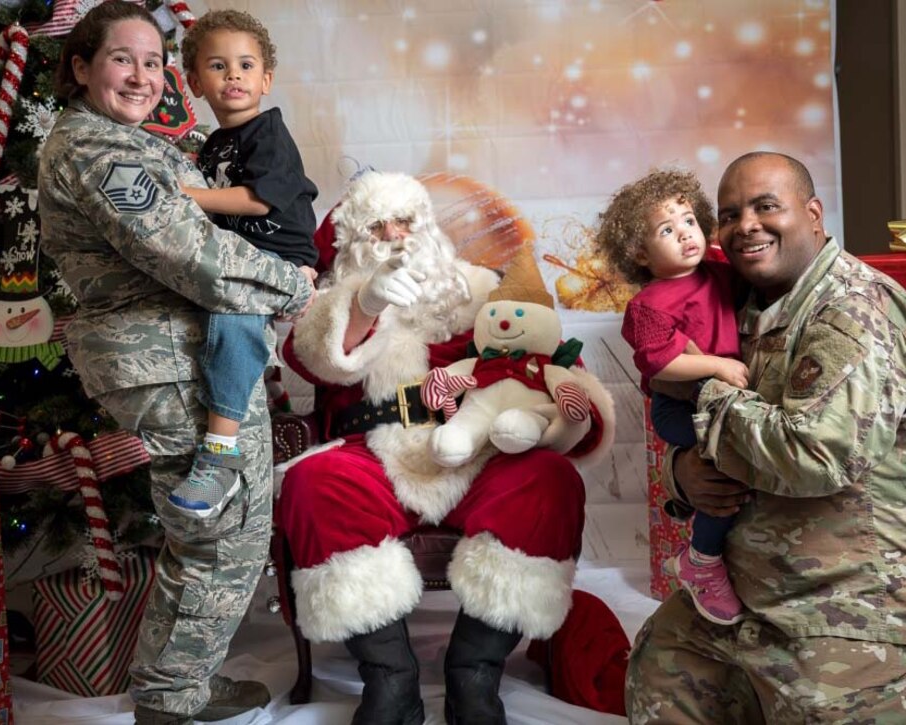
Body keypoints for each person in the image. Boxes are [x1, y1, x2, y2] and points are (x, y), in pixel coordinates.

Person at [37, 2, 314, 723]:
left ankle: (177, 684)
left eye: (154, 62)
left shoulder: (136, 143)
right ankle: (170, 700)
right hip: (162, 358)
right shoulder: (98, 152)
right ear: (81, 67)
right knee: (222, 528)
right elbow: (189, 253)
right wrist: (293, 282)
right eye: (122, 59)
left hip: (183, 351)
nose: (141, 76)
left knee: (216, 529)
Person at [625, 151, 906, 722]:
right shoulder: (737, 300)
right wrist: (679, 471)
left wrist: (706, 387)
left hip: (839, 601)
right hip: (747, 588)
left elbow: (815, 455)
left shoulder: (856, 310)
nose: (745, 226)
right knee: (658, 667)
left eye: (766, 207)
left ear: (813, 214)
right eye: (730, 216)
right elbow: (698, 431)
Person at [277, 170, 614, 725]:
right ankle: (391, 681)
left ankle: (474, 674)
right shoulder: (332, 302)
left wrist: (573, 406)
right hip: (371, 453)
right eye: (375, 226)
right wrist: (363, 304)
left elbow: (547, 357)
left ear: (426, 226)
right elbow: (311, 355)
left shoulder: (479, 290)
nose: (391, 235)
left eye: (404, 221)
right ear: (350, 241)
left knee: (549, 482)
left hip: (477, 448)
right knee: (313, 484)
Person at [168, 9, 319, 519]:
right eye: (218, 65)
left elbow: (257, 201)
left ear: (265, 78)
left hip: (281, 255)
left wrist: (187, 197)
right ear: (194, 83)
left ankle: (221, 456)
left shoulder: (267, 133)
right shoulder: (214, 145)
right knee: (211, 322)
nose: (233, 75)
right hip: (243, 257)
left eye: (245, 65)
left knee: (233, 319)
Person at [596, 168, 748, 627]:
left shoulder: (717, 270)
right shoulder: (651, 304)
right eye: (667, 230)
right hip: (678, 405)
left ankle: (718, 549)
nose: (685, 235)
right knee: (726, 455)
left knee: (738, 460)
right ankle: (701, 560)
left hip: (719, 397)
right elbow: (661, 364)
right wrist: (717, 365)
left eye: (689, 221)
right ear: (640, 253)